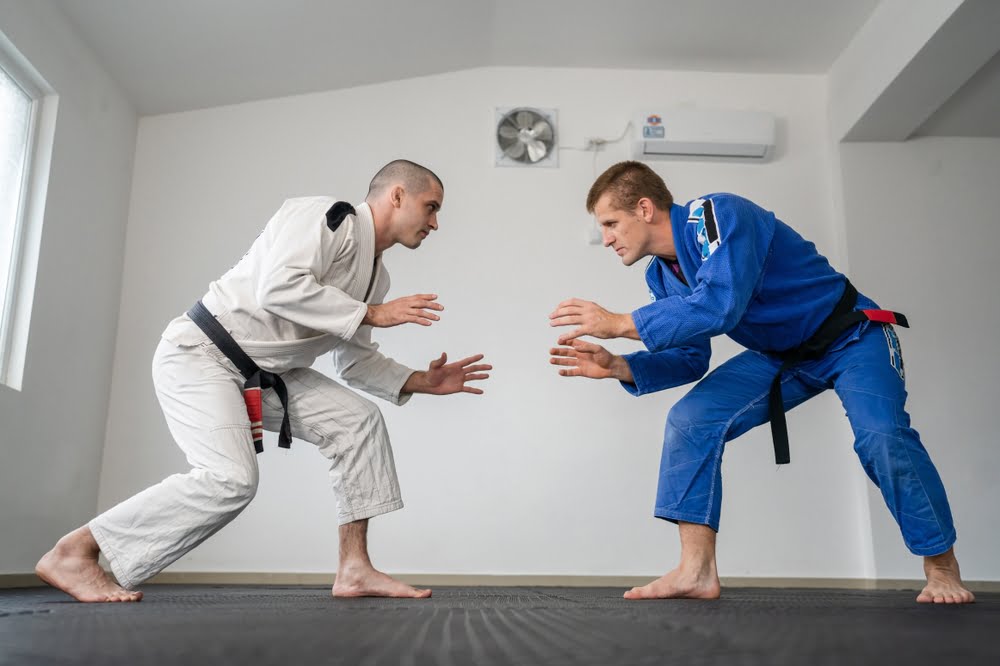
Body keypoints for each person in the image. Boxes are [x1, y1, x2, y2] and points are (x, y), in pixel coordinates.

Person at [36, 159, 490, 602]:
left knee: (358, 422)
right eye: (431, 207)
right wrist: (372, 314)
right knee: (231, 479)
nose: (434, 223)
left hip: (266, 371)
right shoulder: (327, 217)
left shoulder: (377, 277)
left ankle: (354, 568)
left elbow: (355, 363)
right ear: (397, 195)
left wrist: (418, 381)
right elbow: (278, 286)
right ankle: (75, 551)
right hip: (203, 352)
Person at [549, 160, 973, 604]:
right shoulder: (661, 274)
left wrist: (618, 322)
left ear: (645, 208)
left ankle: (942, 567)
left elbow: (720, 305)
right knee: (691, 419)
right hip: (781, 356)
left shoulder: (716, 216)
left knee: (882, 436)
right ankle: (696, 571)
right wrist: (623, 366)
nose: (607, 238)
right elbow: (692, 357)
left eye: (611, 223)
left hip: (852, 337)